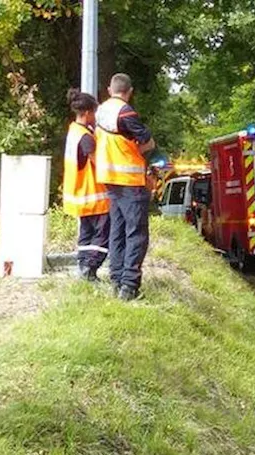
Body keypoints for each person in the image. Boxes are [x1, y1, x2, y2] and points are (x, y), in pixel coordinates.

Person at [95, 73, 156, 301]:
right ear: (129, 92)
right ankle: (129, 286)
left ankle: (116, 279)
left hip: (109, 179)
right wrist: (141, 150)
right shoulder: (126, 112)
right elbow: (147, 140)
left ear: (110, 90)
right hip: (130, 181)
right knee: (136, 234)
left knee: (117, 231)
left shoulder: (100, 111)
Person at [62, 90, 110, 282]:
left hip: (78, 191)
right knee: (103, 234)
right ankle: (90, 268)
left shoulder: (73, 131)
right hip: (94, 194)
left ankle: (82, 266)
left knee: (86, 233)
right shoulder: (86, 137)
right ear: (88, 112)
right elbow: (98, 163)